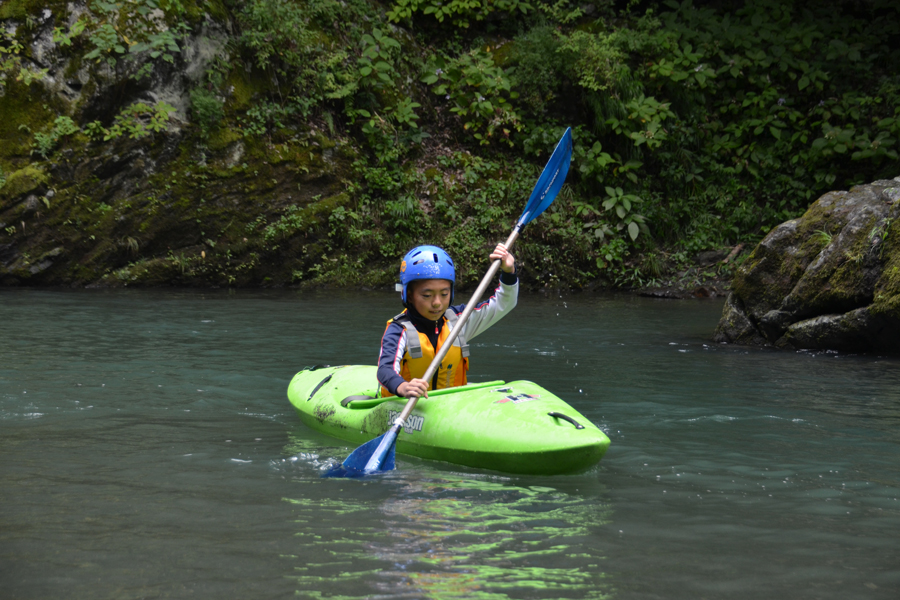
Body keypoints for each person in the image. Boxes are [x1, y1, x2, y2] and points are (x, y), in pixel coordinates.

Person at [377, 243, 518, 399]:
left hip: (451, 407)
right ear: (408, 295)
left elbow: (503, 304)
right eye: (427, 295)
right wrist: (403, 387)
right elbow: (385, 370)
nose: (437, 302)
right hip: (409, 405)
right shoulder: (399, 330)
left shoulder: (459, 320)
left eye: (444, 294)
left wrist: (508, 272)